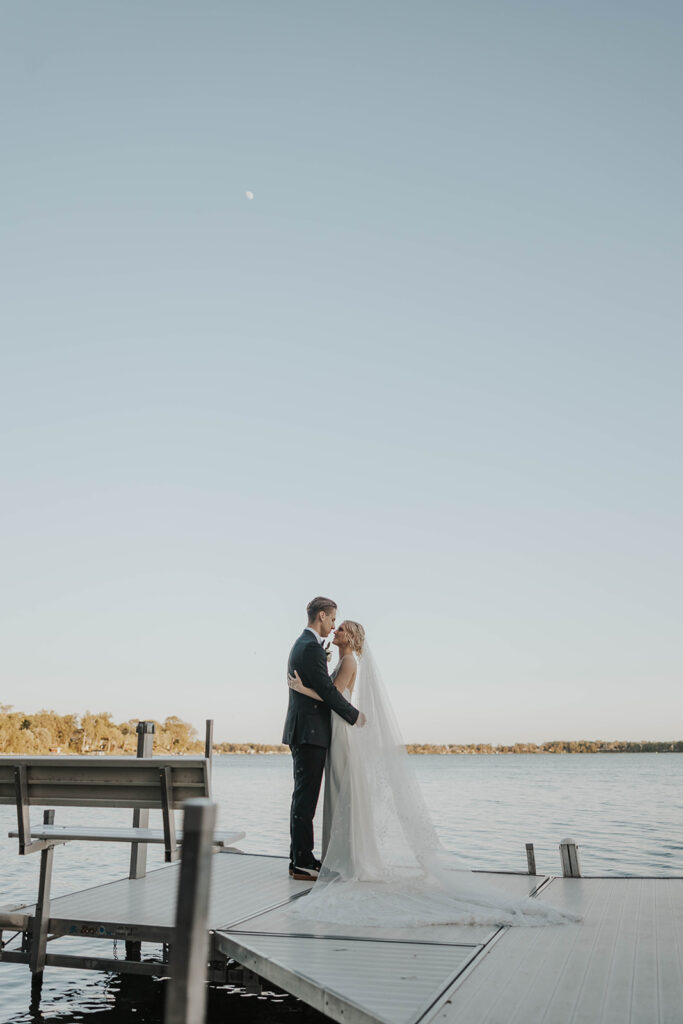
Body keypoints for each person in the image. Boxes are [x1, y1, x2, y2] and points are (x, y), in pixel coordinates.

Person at [288, 624, 580, 928]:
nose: (336, 632)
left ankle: (348, 858)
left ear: (352, 638)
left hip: (341, 731)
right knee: (341, 792)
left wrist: (302, 689)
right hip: (337, 730)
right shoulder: (342, 660)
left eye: (342, 630)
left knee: (342, 790)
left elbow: (333, 698)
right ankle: (344, 857)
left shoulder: (349, 662)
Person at [282, 597, 366, 881]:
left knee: (304, 798)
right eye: (332, 621)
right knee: (306, 800)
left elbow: (326, 690)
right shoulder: (309, 648)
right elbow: (330, 694)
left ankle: (301, 858)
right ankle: (302, 861)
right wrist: (354, 715)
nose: (332, 627)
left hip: (311, 732)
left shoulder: (306, 646)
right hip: (310, 733)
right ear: (321, 616)